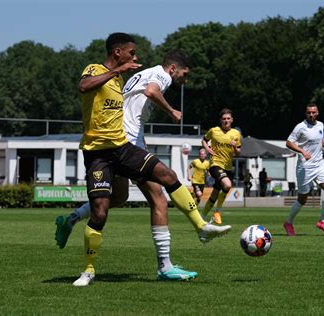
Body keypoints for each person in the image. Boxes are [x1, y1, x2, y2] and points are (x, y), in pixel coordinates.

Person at [64, 33, 231, 287]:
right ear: (173, 68)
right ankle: (170, 259)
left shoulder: (130, 76)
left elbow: (128, 107)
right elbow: (148, 92)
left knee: (120, 197)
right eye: (184, 75)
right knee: (156, 200)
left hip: (124, 143)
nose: (136, 57)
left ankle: (73, 218)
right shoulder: (158, 75)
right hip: (114, 145)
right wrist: (171, 110)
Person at [283, 103, 324, 237]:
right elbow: (289, 142)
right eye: (309, 112)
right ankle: (288, 222)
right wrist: (302, 151)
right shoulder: (300, 127)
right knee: (303, 199)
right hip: (305, 167)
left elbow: (321, 139)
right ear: (306, 113)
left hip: (319, 165)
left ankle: (322, 221)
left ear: (317, 113)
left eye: (313, 112)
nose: (311, 115)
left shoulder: (320, 125)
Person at [201, 108, 242, 225]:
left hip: (228, 167)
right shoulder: (214, 131)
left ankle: (202, 217)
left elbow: (238, 153)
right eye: (224, 119)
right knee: (227, 184)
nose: (226, 121)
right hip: (215, 164)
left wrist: (234, 147)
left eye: (228, 118)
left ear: (232, 120)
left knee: (216, 192)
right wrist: (207, 148)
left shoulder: (236, 134)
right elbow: (204, 140)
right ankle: (217, 212)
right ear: (220, 120)